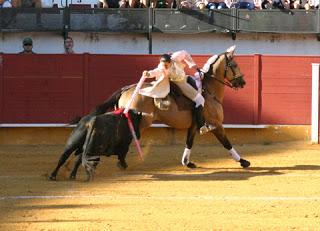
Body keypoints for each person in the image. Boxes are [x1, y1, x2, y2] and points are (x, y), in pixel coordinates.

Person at [139, 51, 214, 135]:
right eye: (163, 65)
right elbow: (156, 71)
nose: (165, 66)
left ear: (171, 61)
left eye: (166, 64)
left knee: (200, 87)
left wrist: (193, 66)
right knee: (200, 100)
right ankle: (201, 126)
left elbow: (185, 53)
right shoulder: (162, 67)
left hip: (185, 78)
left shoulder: (176, 57)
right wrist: (148, 74)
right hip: (179, 83)